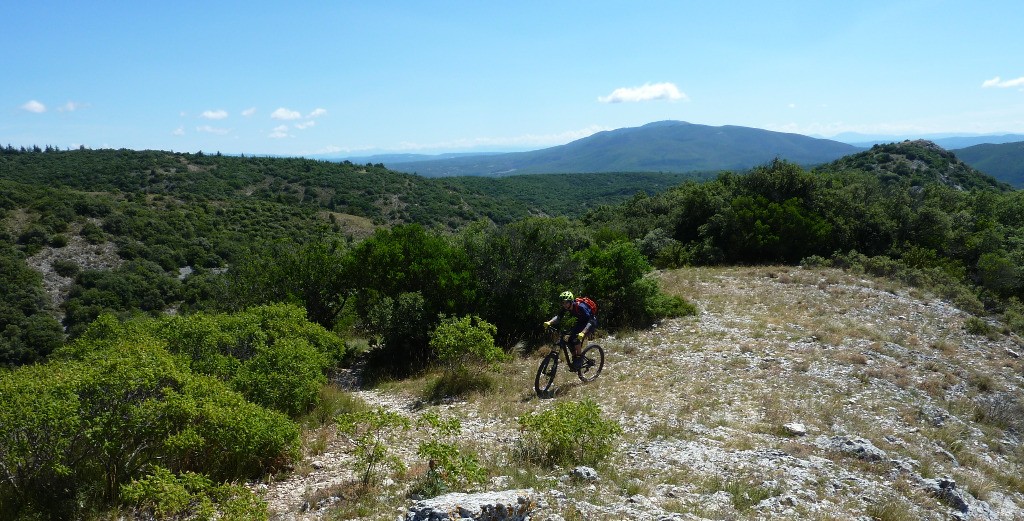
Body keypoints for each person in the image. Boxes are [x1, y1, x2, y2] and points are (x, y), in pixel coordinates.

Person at [543, 290, 597, 370]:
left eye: (566, 302)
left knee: (575, 339)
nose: (564, 305)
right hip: (581, 323)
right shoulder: (566, 307)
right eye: (563, 303)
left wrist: (583, 332)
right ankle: (574, 357)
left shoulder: (581, 307)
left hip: (590, 324)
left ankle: (579, 359)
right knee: (569, 340)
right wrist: (549, 322)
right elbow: (558, 317)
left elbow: (590, 320)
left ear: (571, 301)